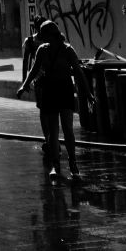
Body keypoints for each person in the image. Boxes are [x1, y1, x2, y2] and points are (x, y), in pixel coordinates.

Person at [16, 19, 82, 181]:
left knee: (66, 129)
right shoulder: (39, 48)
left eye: (43, 34)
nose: (40, 36)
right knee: (53, 130)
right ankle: (56, 164)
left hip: (64, 90)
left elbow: (79, 72)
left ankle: (73, 164)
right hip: (47, 89)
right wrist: (24, 84)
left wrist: (87, 93)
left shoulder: (67, 50)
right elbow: (33, 67)